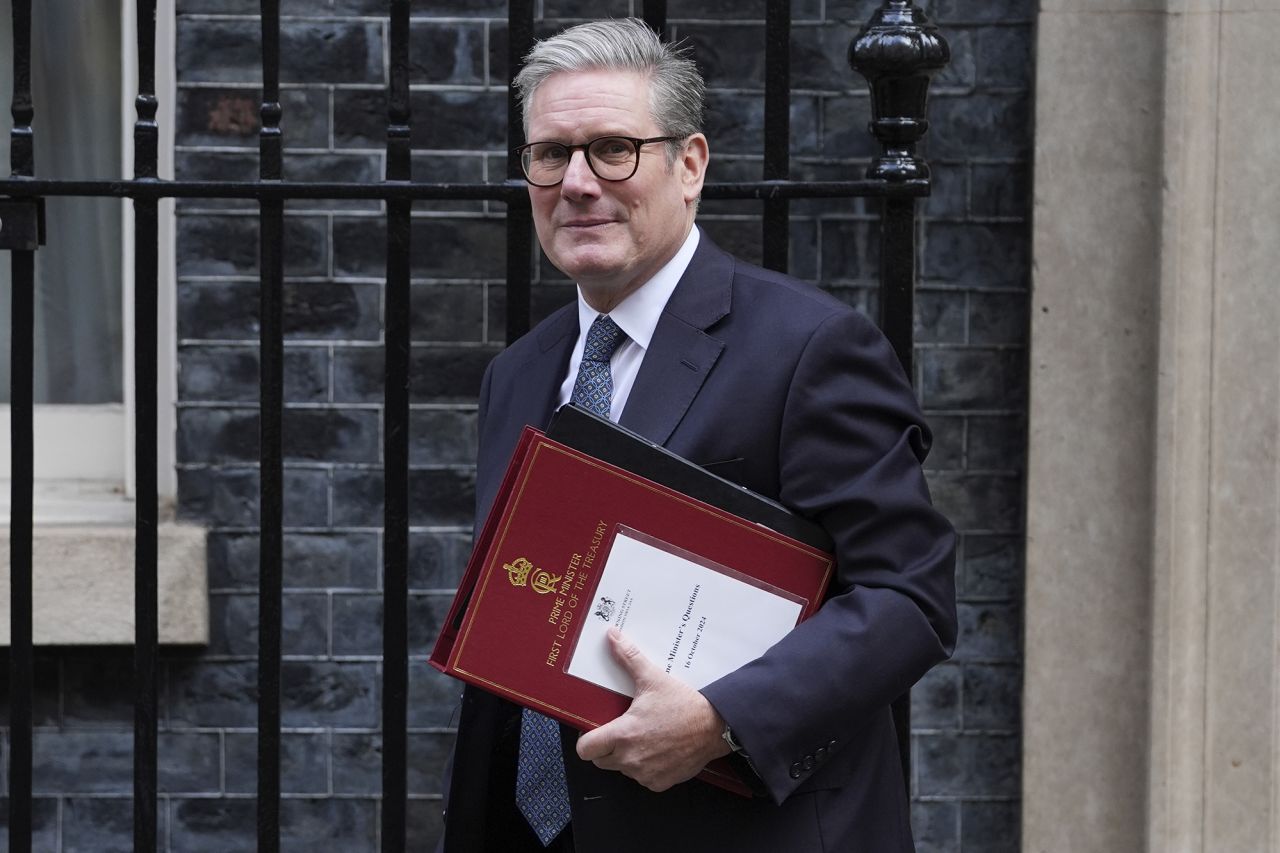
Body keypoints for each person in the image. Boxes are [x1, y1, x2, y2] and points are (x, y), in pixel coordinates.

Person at [438, 17, 956, 853]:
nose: (575, 181)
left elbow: (910, 598)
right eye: (549, 153)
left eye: (612, 147)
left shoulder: (808, 347)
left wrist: (723, 719)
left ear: (690, 165)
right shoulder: (520, 374)